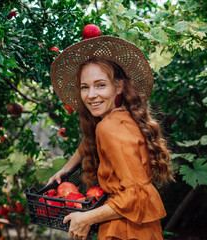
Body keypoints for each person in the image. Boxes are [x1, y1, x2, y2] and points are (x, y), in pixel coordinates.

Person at [48, 36, 174, 240]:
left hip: (126, 230)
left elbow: (138, 196)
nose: (91, 95)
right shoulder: (122, 117)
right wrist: (66, 168)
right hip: (140, 229)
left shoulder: (108, 127)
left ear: (119, 86)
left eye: (100, 85)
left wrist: (87, 218)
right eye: (84, 87)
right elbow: (87, 144)